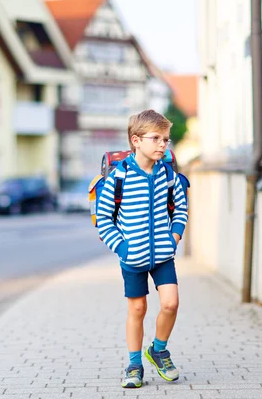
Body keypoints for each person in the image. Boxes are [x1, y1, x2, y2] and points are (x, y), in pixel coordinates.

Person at [96, 109, 188, 388]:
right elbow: (104, 219)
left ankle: (158, 350)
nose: (163, 144)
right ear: (136, 141)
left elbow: (180, 208)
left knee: (171, 303)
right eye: (156, 138)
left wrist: (174, 236)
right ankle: (134, 365)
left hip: (163, 255)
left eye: (166, 140)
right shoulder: (119, 178)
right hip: (132, 257)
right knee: (137, 310)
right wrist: (122, 248)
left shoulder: (167, 174)